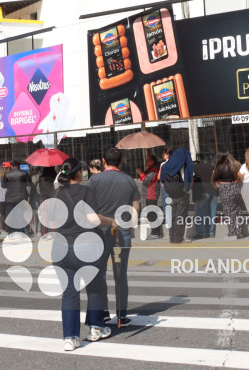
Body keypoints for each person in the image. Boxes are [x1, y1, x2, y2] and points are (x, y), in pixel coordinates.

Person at [53, 157, 116, 351]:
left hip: (61, 248)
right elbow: (93, 218)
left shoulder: (56, 195)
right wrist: (111, 221)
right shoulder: (86, 191)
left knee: (69, 293)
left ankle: (70, 338)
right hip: (86, 247)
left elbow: (53, 223)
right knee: (95, 287)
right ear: (79, 173)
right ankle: (96, 328)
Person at [87, 147, 140, 326]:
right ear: (121, 161)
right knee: (120, 275)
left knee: (99, 273)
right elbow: (136, 207)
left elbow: (88, 208)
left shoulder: (94, 180)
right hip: (122, 232)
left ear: (103, 161)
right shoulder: (129, 180)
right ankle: (122, 315)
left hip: (100, 232)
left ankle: (102, 311)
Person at [159, 146, 193, 243]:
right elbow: (187, 180)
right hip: (181, 195)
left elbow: (162, 180)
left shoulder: (164, 166)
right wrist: (186, 190)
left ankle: (172, 238)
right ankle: (179, 238)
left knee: (172, 217)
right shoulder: (183, 165)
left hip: (169, 195)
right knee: (180, 217)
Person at [212, 153, 242, 240]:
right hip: (236, 188)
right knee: (237, 210)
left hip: (226, 189)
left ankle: (232, 234)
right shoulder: (236, 165)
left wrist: (214, 173)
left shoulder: (221, 167)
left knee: (229, 211)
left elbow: (215, 178)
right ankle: (239, 231)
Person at [192, 156, 217, 239]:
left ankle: (202, 233)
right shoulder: (211, 166)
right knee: (211, 213)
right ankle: (211, 233)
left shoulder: (194, 168)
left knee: (200, 213)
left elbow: (191, 180)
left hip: (202, 192)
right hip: (213, 191)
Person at [139, 154, 163, 239]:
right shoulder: (150, 170)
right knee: (151, 213)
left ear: (153, 161)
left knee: (152, 214)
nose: (146, 162)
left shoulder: (154, 170)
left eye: (148, 160)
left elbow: (146, 180)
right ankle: (155, 232)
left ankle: (155, 233)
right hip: (149, 193)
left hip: (151, 193)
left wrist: (141, 174)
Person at [3, 160, 30, 234]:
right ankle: (21, 231)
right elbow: (28, 183)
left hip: (10, 197)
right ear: (19, 165)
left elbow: (3, 185)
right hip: (21, 197)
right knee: (20, 215)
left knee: (10, 215)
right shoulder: (24, 173)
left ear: (12, 166)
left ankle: (11, 232)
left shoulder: (7, 174)